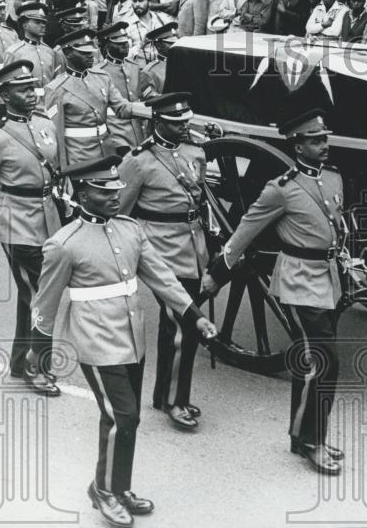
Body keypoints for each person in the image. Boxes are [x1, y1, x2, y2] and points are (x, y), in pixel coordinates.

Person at [28, 154, 217, 527]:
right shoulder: (64, 244)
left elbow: (162, 277)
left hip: (132, 338)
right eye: (105, 190)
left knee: (122, 420)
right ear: (82, 193)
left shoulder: (129, 229)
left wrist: (195, 317)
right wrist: (39, 350)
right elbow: (44, 301)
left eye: (117, 187)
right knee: (124, 415)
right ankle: (104, 490)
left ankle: (118, 485)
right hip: (96, 343)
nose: (117, 194)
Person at [202, 110, 347, 475]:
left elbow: (338, 228)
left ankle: (302, 437)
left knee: (310, 360)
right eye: (315, 141)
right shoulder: (280, 189)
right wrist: (217, 275)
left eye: (325, 139)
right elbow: (243, 234)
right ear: (297, 145)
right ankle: (312, 442)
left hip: (328, 278)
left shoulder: (332, 179)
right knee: (325, 361)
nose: (324, 146)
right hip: (299, 282)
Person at [0, 60, 62, 394]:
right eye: (22, 89)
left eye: (32, 87)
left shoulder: (44, 124)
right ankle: (35, 367)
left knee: (30, 296)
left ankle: (21, 362)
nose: (31, 94)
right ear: (3, 94)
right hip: (15, 223)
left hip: (47, 217)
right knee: (40, 297)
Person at [118, 93, 209, 430]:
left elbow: (200, 200)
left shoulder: (194, 152)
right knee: (183, 326)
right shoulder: (138, 161)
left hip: (193, 245)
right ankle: (175, 401)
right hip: (161, 250)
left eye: (186, 121)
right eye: (175, 123)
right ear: (157, 122)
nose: (184, 127)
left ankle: (163, 395)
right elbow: (120, 210)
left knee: (180, 326)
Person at [44, 28, 145, 166]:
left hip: (107, 150)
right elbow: (55, 133)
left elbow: (122, 108)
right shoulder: (56, 89)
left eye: (91, 52)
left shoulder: (102, 78)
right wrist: (60, 167)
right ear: (68, 53)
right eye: (84, 53)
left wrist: (154, 111)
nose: (90, 56)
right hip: (79, 156)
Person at [94, 21, 145, 155]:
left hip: (138, 130)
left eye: (126, 42)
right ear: (108, 45)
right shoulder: (98, 72)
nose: (125, 46)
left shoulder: (134, 67)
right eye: (119, 43)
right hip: (115, 133)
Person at [4, 2, 60, 90]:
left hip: (49, 99)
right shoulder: (14, 52)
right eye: (37, 22)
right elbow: (7, 84)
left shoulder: (50, 51)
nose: (43, 26)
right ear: (24, 25)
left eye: (44, 22)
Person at [137, 22, 177, 99]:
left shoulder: (183, 64)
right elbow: (150, 97)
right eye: (170, 43)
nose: (175, 45)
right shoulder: (149, 71)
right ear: (158, 46)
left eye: (176, 42)